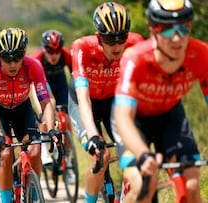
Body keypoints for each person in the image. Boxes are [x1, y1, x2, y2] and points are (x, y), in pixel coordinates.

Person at [112, 0, 208, 202]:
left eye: (183, 29)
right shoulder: (135, 58)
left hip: (170, 116)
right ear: (153, 31)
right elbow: (122, 115)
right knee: (143, 185)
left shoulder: (200, 54)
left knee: (191, 186)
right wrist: (142, 153)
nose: (176, 38)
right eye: (166, 30)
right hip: (134, 120)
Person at [68, 2, 144, 202]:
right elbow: (83, 98)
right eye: (111, 40)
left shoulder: (137, 43)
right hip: (84, 101)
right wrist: (93, 135)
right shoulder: (82, 48)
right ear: (99, 36)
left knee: (134, 154)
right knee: (100, 157)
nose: (118, 45)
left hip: (113, 101)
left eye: (122, 38)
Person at [0, 27, 56, 203]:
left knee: (35, 149)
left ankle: (33, 193)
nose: (13, 64)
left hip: (22, 109)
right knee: (5, 153)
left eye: (18, 57)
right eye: (7, 59)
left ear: (24, 54)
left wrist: (51, 129)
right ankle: (5, 198)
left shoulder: (33, 66)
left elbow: (45, 102)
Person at [31, 29, 73, 166]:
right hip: (41, 82)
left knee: (65, 118)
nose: (54, 55)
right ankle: (43, 148)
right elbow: (37, 87)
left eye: (57, 51)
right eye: (50, 51)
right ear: (44, 49)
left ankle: (67, 155)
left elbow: (76, 75)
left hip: (60, 83)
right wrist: (42, 111)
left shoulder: (66, 55)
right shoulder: (37, 57)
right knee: (44, 114)